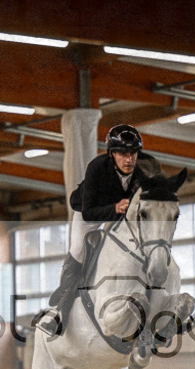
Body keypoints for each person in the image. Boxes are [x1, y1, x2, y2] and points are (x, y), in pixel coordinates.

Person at [36, 124, 162, 337]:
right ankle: (59, 312)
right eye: (123, 153)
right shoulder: (97, 167)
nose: (129, 158)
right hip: (90, 214)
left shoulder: (141, 173)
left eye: (133, 153)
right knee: (78, 249)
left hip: (121, 217)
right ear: (112, 153)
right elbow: (89, 213)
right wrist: (114, 208)